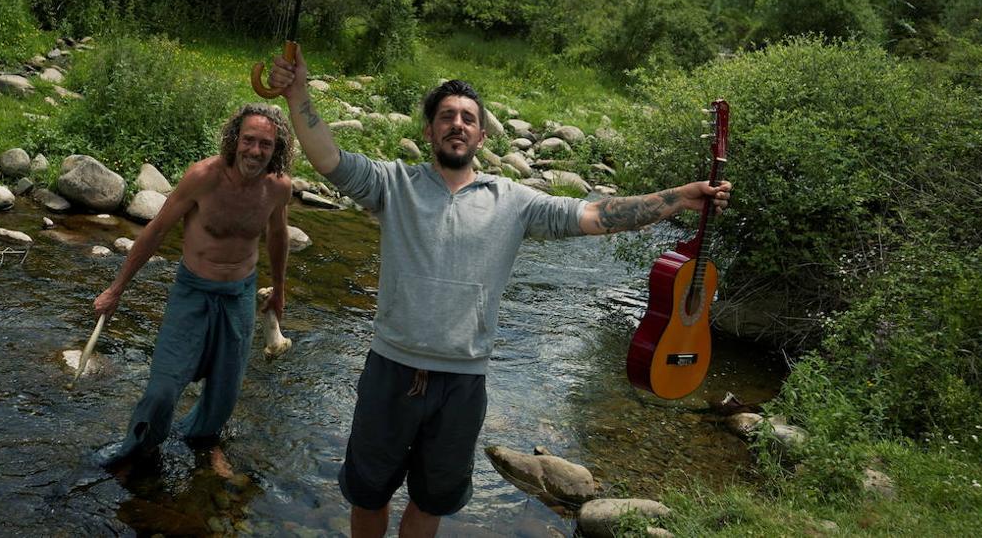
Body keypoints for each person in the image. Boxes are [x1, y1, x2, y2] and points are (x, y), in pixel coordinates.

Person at [267, 47, 731, 537]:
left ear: (482, 136)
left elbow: (596, 215)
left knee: (432, 500)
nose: (457, 124)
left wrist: (679, 197)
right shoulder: (393, 184)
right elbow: (328, 158)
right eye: (446, 116)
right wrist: (297, 92)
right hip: (390, 369)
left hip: (463, 383)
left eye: (468, 118)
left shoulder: (514, 201)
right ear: (428, 131)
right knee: (367, 493)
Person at [92, 103, 294, 478]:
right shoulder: (204, 177)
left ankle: (203, 440)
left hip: (239, 296)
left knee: (224, 391)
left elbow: (278, 236)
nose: (255, 151)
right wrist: (117, 289)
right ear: (235, 140)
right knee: (163, 389)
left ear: (277, 148)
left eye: (265, 144)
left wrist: (279, 291)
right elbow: (156, 229)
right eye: (248, 140)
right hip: (192, 293)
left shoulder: (278, 187)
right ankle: (139, 446)